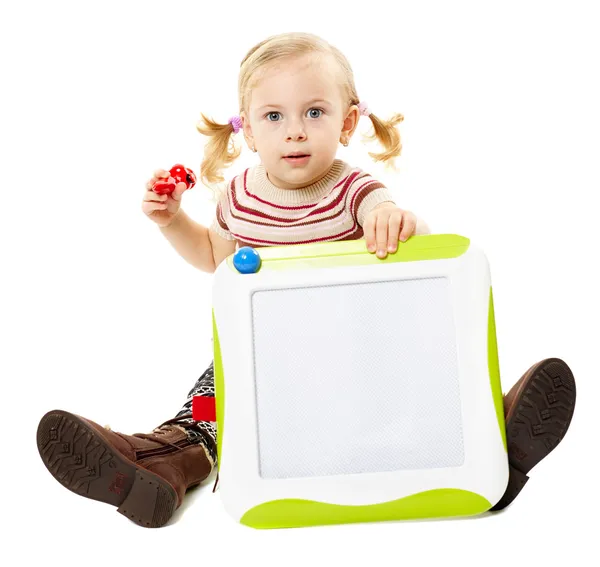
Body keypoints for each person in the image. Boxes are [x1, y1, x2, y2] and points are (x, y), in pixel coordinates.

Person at [36, 31, 576, 528]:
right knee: (210, 405)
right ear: (246, 128)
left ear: (346, 122)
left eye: (314, 111)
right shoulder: (240, 198)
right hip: (264, 357)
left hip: (358, 356)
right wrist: (172, 220)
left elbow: (405, 236)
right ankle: (158, 465)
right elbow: (212, 256)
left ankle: (491, 441)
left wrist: (396, 224)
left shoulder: (354, 190)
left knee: (422, 391)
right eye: (273, 115)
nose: (294, 129)